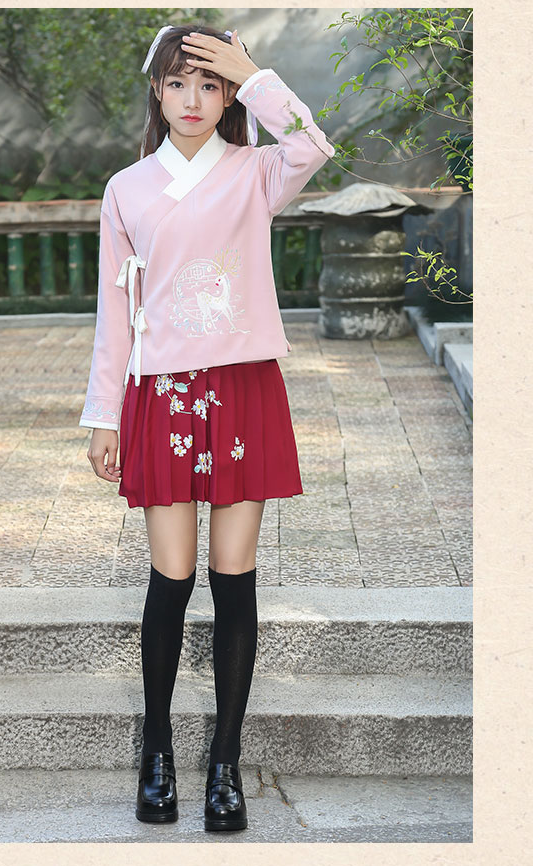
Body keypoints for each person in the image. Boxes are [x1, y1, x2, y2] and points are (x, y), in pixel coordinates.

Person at [79, 22, 336, 832]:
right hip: (161, 393)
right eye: (179, 83)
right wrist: (103, 415)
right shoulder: (127, 190)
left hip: (243, 388)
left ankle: (225, 763)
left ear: (229, 97)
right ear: (156, 93)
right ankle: (156, 752)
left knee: (235, 579)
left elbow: (312, 145)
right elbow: (114, 315)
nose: (193, 99)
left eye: (211, 84)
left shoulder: (257, 172)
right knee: (172, 577)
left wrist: (254, 73)